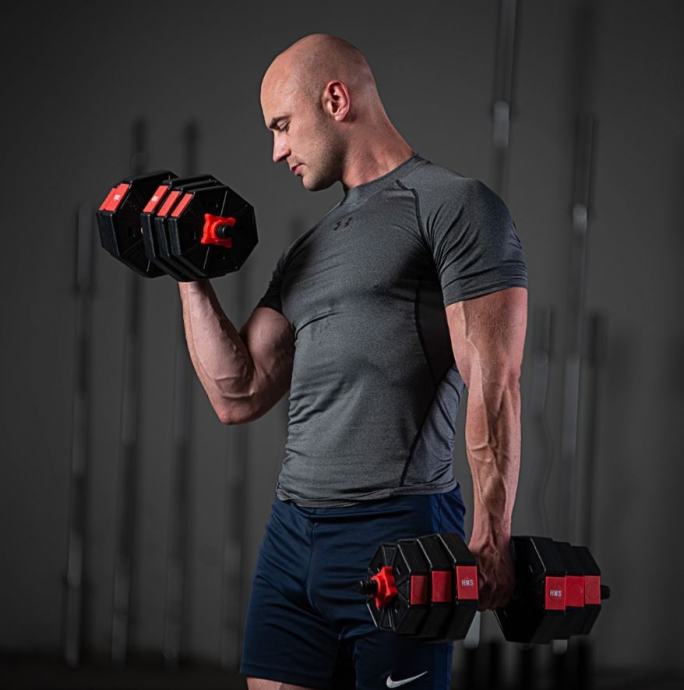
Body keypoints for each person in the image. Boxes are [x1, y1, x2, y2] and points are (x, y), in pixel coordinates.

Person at [178, 33, 528, 690]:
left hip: (398, 529)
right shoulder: (309, 248)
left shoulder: (454, 206)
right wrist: (187, 273)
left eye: (282, 125)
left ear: (335, 99)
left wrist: (492, 532)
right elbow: (238, 393)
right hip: (292, 533)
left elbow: (494, 377)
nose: (276, 150)